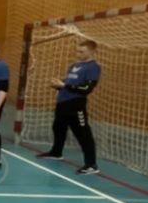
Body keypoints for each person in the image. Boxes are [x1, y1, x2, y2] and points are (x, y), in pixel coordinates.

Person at [36, 40, 102, 175]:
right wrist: (58, 83)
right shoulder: (74, 65)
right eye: (78, 51)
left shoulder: (93, 67)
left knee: (83, 134)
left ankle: (91, 164)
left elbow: (87, 88)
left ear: (91, 52)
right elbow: (69, 81)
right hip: (63, 103)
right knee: (58, 127)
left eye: (82, 51)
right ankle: (56, 152)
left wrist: (65, 86)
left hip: (76, 104)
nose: (78, 54)